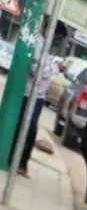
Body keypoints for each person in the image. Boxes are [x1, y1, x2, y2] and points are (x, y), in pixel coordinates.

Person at [17, 34, 60, 177]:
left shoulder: (46, 46)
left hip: (39, 95)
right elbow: (36, 70)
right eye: (59, 38)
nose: (58, 41)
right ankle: (19, 161)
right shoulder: (38, 43)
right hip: (29, 93)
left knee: (30, 129)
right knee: (28, 128)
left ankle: (22, 163)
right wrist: (54, 69)